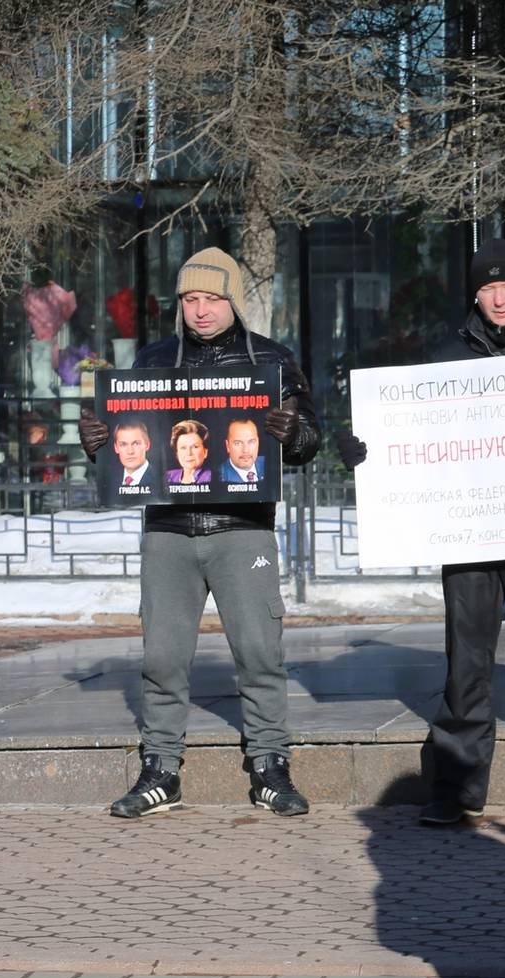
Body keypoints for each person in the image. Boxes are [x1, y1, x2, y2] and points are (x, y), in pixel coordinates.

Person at [78, 246, 322, 818]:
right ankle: (161, 768)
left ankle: (269, 766)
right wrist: (97, 445)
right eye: (191, 298)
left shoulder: (272, 360)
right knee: (162, 656)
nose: (202, 310)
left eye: (212, 298)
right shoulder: (153, 360)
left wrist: (292, 434)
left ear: (233, 298)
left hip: (242, 530)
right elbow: (128, 442)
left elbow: (313, 441)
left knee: (260, 651)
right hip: (168, 531)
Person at [337, 239, 505, 826]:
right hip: (469, 530)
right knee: (468, 661)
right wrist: (364, 450)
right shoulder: (446, 355)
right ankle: (456, 787)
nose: (499, 297)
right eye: (487, 287)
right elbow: (411, 432)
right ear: (475, 294)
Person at [164, 419, 212, 485]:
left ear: (205, 452)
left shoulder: (212, 477)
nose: (189, 453)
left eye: (195, 447)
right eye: (183, 448)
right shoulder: (168, 477)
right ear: (177, 454)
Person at [219, 418, 263, 485]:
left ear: (258, 442)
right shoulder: (219, 475)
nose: (246, 450)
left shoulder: (270, 464)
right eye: (238, 443)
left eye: (251, 442)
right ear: (227, 446)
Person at [112, 420, 153, 489]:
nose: (130, 451)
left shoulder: (162, 479)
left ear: (147, 445)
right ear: (116, 448)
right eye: (123, 444)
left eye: (136, 443)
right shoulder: (111, 481)